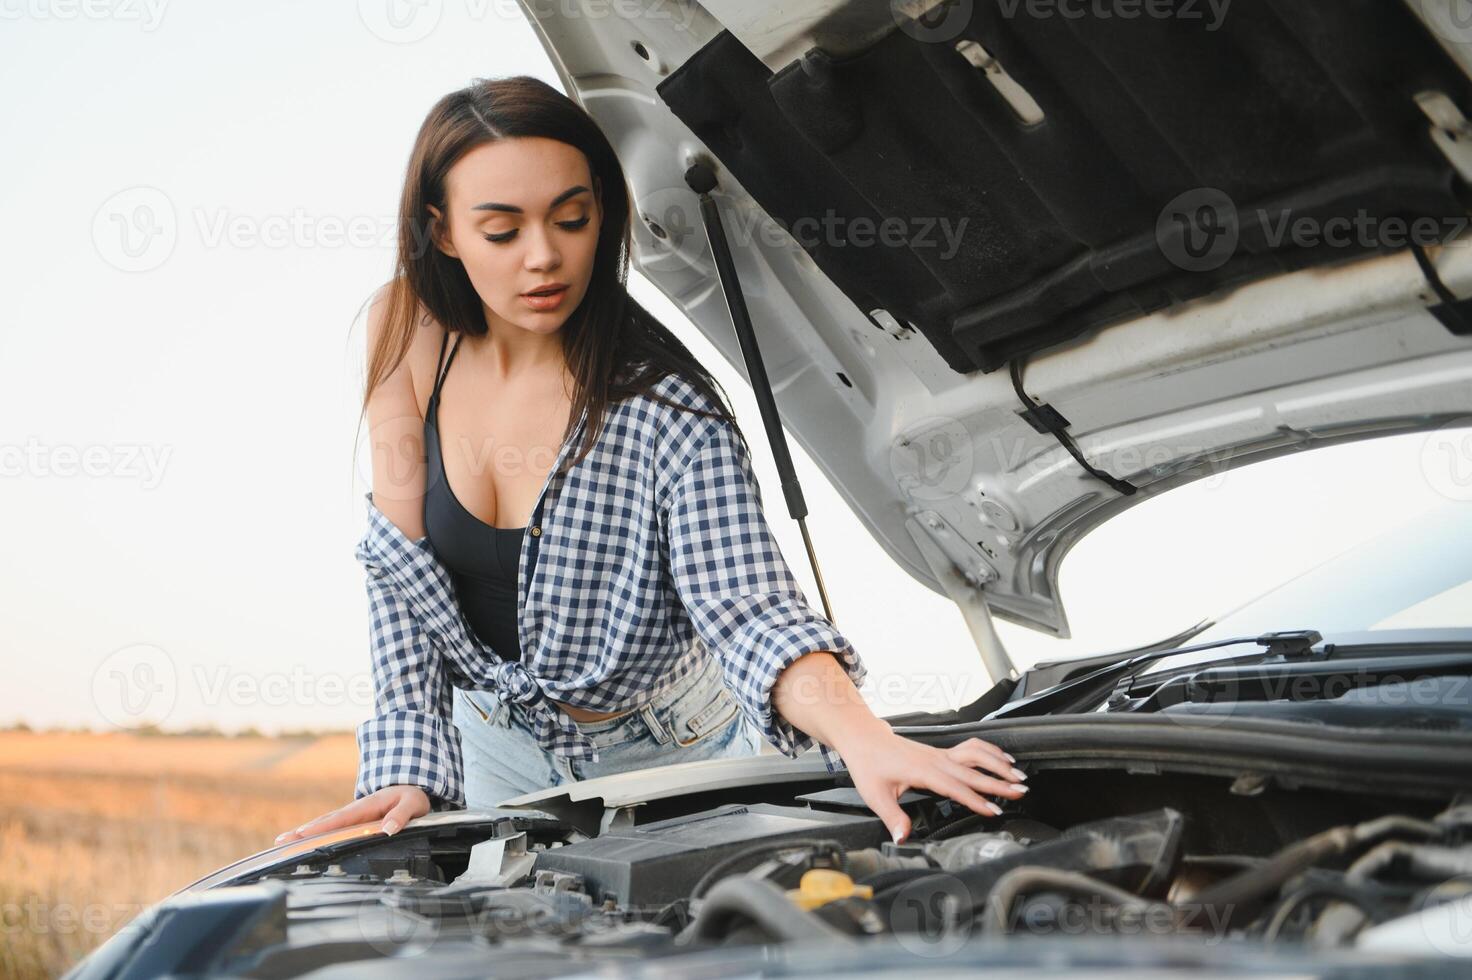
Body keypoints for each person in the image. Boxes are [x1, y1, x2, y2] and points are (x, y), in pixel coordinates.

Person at [274, 75, 1027, 849]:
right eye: (501, 231)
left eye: (571, 219)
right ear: (441, 230)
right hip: (490, 750)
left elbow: (751, 612)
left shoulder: (666, 411)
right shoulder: (404, 328)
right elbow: (399, 574)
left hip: (676, 757)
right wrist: (406, 765)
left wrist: (863, 736)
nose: (544, 258)